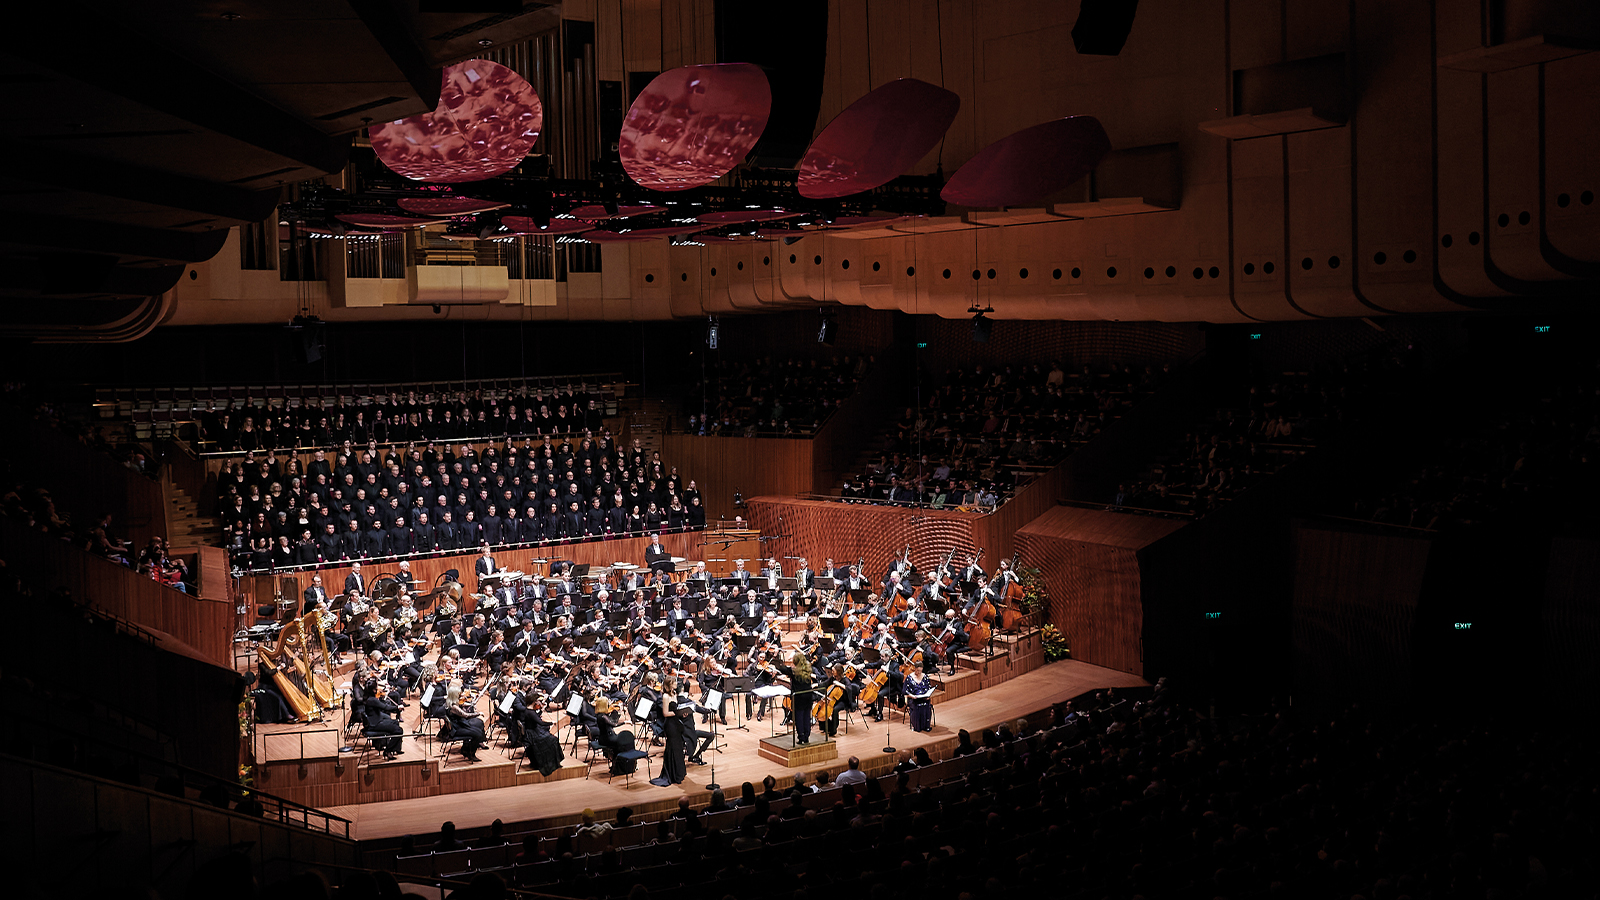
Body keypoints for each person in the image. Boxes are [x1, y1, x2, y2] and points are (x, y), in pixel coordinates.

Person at [651, 679, 689, 786]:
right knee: (672, 746)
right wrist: (677, 713)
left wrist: (682, 713)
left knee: (678, 747)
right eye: (674, 682)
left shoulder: (675, 694)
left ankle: (679, 773)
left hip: (676, 723)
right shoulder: (665, 696)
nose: (677, 684)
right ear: (669, 684)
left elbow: (675, 709)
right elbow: (666, 713)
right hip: (670, 725)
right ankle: (672, 774)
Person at [777, 652, 816, 745]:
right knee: (807, 716)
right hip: (808, 695)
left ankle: (801, 737)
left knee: (799, 717)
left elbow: (782, 668)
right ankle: (806, 736)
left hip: (798, 696)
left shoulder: (794, 671)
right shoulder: (808, 669)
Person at [444, 685, 486, 762]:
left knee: (478, 727)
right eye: (459, 695)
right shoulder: (454, 707)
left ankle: (466, 749)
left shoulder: (449, 703)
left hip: (459, 725)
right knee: (478, 734)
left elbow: (462, 705)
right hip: (456, 729)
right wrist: (478, 714)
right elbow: (466, 715)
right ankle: (471, 753)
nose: (461, 696)